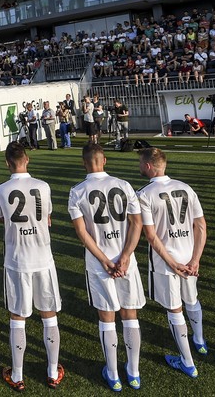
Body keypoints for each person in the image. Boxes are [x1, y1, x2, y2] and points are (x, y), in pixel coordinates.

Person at [68, 144, 144, 391]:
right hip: (125, 261)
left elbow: (82, 232)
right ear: (105, 160)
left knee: (107, 318)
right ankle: (133, 373)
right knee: (129, 315)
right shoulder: (124, 185)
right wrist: (126, 256)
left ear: (83, 163)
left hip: (100, 263)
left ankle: (113, 374)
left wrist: (103, 260)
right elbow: (137, 223)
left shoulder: (77, 191)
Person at [0, 142, 63, 390]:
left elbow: (1, 217)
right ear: (27, 159)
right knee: (49, 315)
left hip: (17, 259)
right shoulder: (43, 186)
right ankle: (52, 372)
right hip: (43, 258)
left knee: (17, 317)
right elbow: (47, 217)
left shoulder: (0, 189)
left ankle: (19, 375)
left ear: (7, 163)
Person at [136, 148, 207, 378]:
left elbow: (151, 235)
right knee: (192, 300)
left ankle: (187, 362)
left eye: (140, 162)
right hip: (189, 257)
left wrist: (171, 263)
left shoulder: (144, 194)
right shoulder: (185, 187)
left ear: (148, 166)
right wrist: (195, 258)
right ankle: (199, 341)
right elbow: (201, 226)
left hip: (166, 262)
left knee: (174, 308)